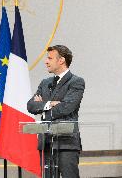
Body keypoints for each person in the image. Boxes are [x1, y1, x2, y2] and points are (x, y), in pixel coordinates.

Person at [27, 45, 85, 178]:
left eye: (49, 58)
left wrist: (42, 105)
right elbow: (30, 106)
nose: (46, 61)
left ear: (61, 60)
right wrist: (49, 104)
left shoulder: (76, 82)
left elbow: (67, 107)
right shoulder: (45, 83)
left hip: (66, 144)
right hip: (46, 143)